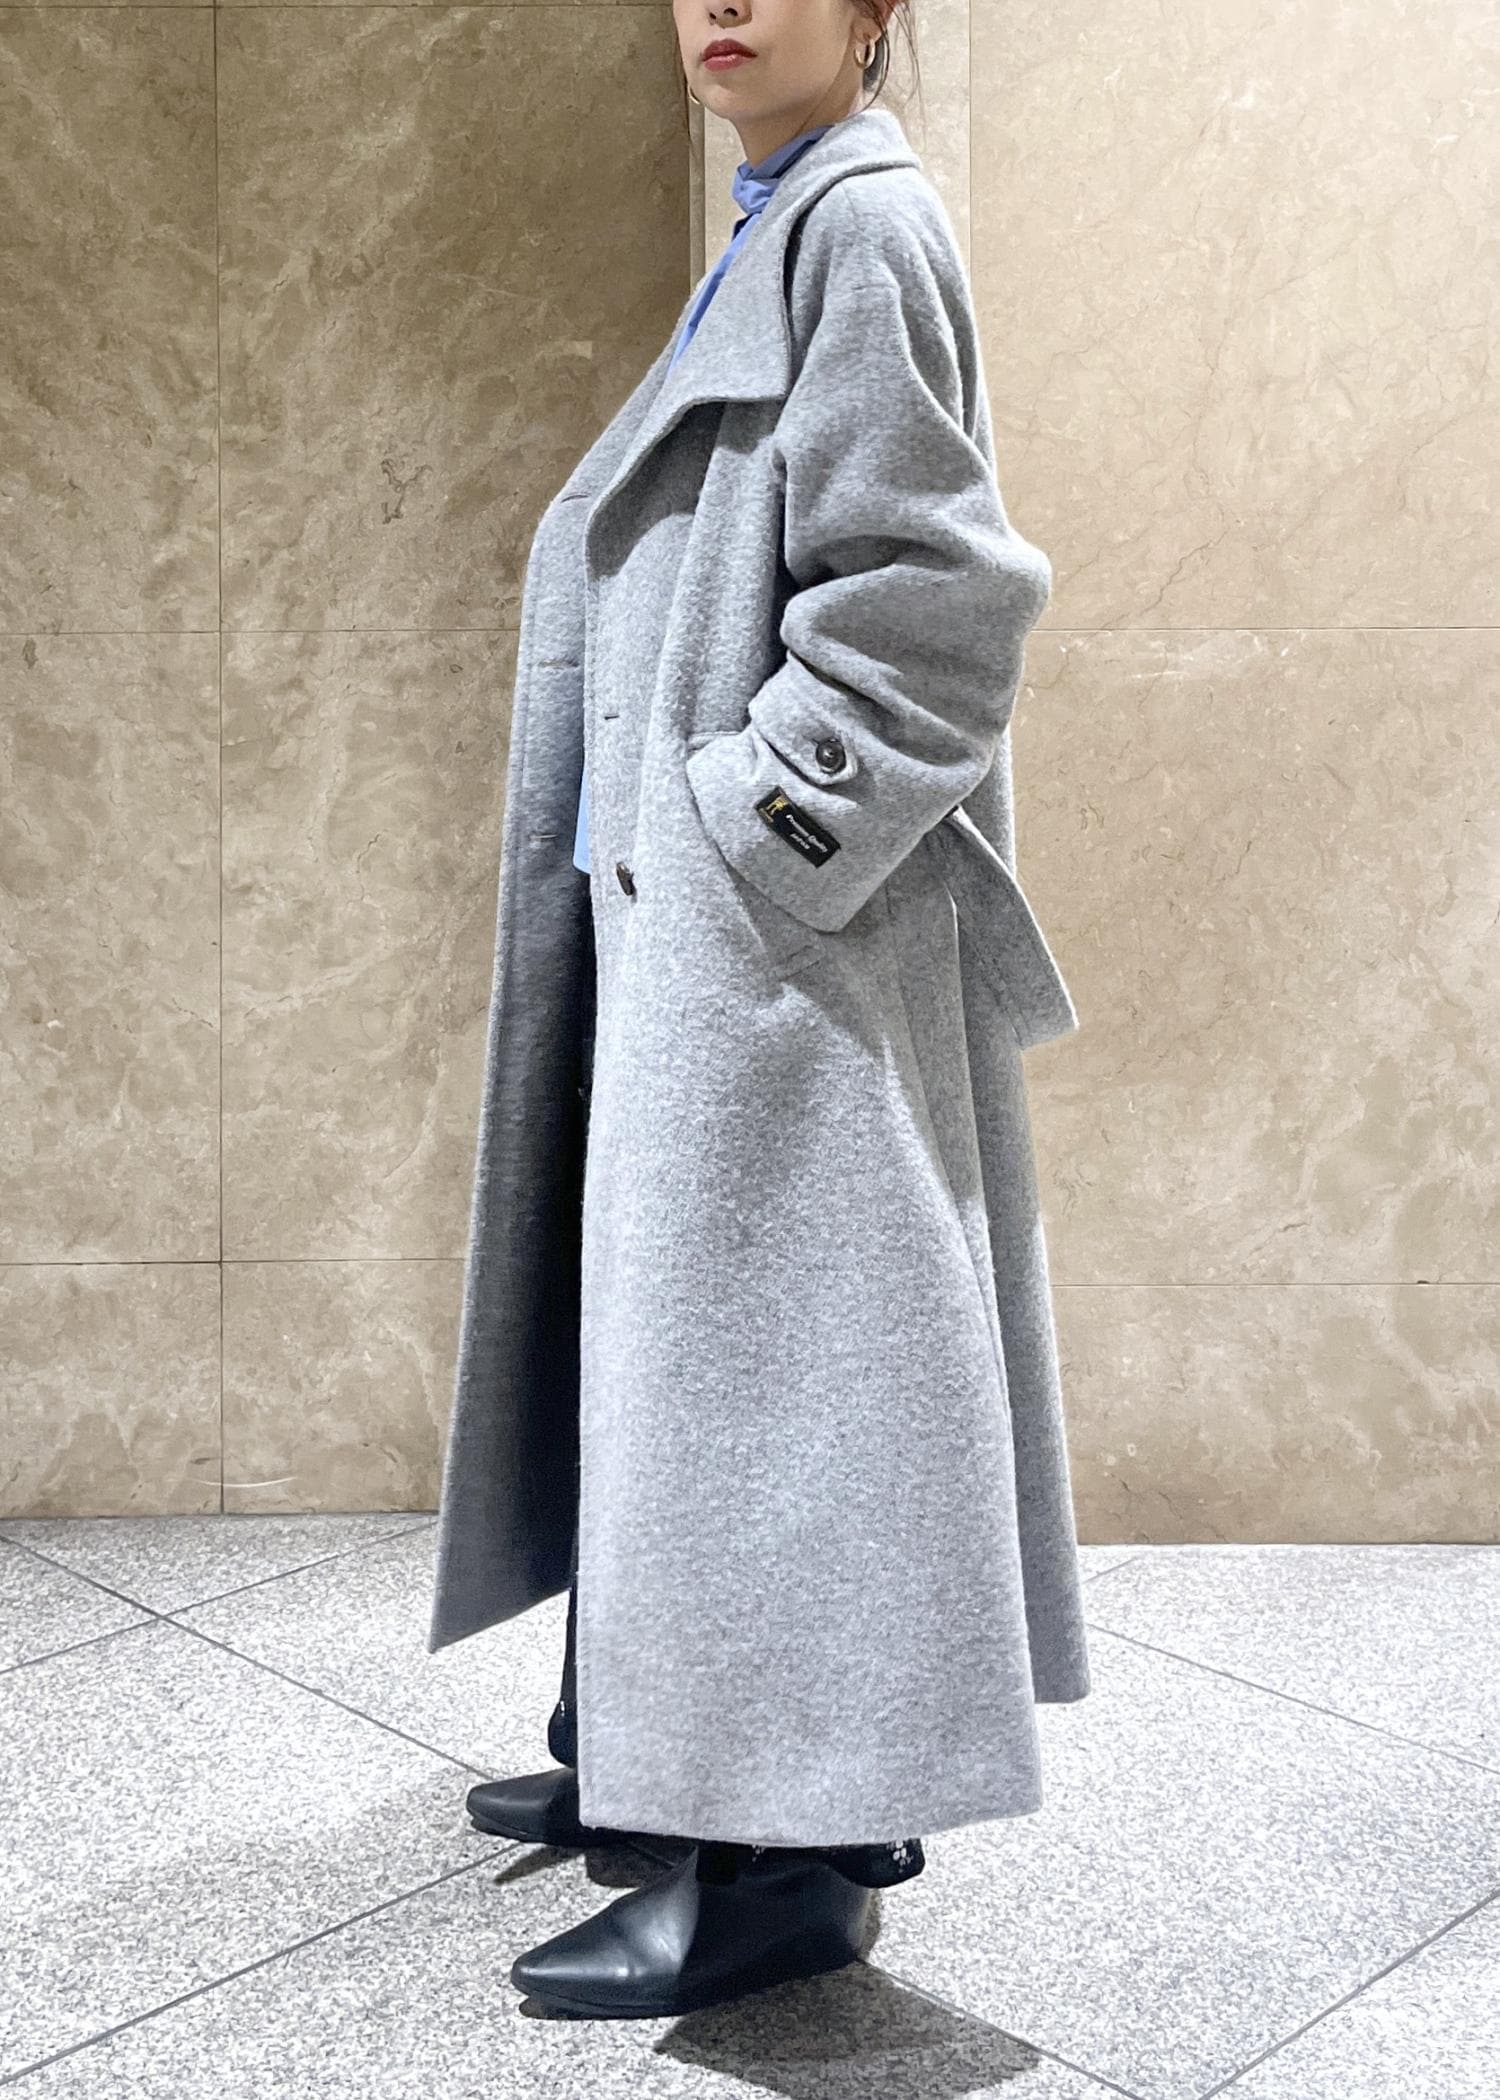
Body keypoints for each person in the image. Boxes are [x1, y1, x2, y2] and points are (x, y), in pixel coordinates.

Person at [428, 0, 1092, 2021]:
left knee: (777, 1392)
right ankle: (674, 1755)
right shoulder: (781, 215)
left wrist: (752, 830)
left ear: (873, 13)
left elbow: (934, 606)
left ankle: (778, 1872)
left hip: (775, 950)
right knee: (711, 1378)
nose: (721, 1)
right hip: (708, 935)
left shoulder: (861, 223)